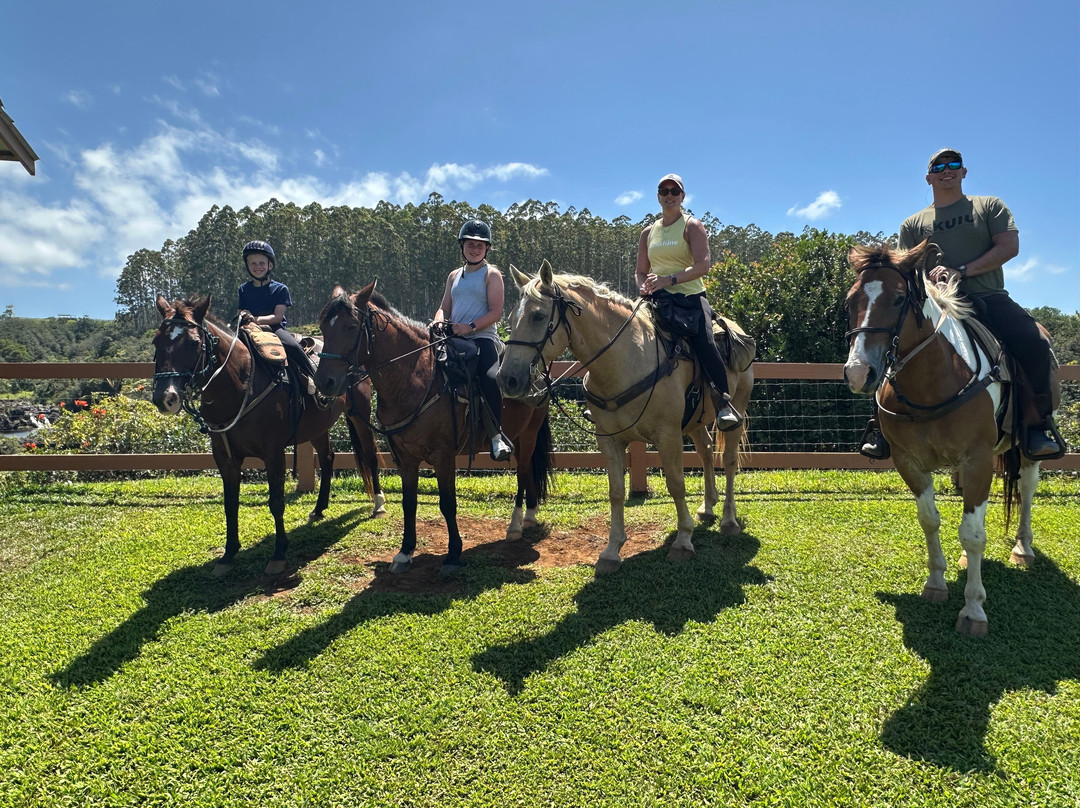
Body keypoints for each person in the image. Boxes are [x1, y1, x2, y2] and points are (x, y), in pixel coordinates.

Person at [860, 148, 1065, 459]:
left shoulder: (989, 207)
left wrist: (961, 271)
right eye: (938, 166)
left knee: (1034, 342)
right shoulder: (913, 224)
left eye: (953, 164)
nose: (947, 169)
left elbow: (1009, 246)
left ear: (963, 172)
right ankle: (882, 428)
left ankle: (1037, 426)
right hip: (934, 303)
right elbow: (904, 269)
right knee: (887, 343)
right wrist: (929, 278)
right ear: (928, 177)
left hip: (987, 297)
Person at [636, 173, 742, 431]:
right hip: (656, 299)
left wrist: (667, 280)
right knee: (621, 332)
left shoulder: (692, 226)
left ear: (683, 196)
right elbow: (640, 270)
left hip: (690, 299)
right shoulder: (648, 232)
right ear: (658, 196)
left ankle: (723, 403)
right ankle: (606, 401)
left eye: (675, 191)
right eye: (664, 190)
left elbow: (703, 265)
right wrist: (642, 287)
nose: (669, 195)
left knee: (705, 343)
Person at [432, 220, 514, 461]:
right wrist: (438, 320)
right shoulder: (454, 276)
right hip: (453, 339)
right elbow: (444, 307)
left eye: (480, 245)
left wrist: (468, 327)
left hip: (483, 340)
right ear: (462, 246)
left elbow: (496, 312)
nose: (474, 248)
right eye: (470, 244)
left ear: (487, 248)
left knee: (489, 378)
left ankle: (496, 436)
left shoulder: (492, 275)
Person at [236, 240, 318, 395]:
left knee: (293, 346)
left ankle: (312, 377)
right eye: (253, 263)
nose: (257, 267)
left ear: (270, 265)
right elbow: (241, 310)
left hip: (274, 328)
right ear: (247, 266)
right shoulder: (243, 289)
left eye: (261, 263)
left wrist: (255, 319)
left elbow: (277, 317)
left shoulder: (280, 289)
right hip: (249, 329)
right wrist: (243, 315)